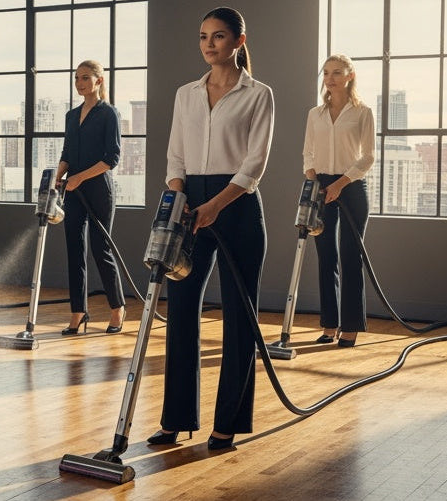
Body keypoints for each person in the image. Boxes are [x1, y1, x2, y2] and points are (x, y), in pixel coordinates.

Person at [148, 6, 273, 451]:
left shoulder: (259, 94)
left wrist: (215, 206)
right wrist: (181, 200)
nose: (208, 44)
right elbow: (175, 157)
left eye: (218, 36)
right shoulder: (186, 94)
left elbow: (254, 163)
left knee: (239, 317)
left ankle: (228, 425)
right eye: (203, 36)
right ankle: (176, 419)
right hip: (190, 205)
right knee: (181, 313)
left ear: (239, 41)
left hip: (236, 206)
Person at [302, 54, 374, 348]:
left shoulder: (362, 112)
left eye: (336, 73)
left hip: (352, 187)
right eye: (326, 73)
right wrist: (314, 183)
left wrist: (340, 184)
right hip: (321, 187)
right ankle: (330, 324)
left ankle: (351, 327)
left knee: (350, 256)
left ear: (349, 76)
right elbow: (308, 153)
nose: (330, 78)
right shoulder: (315, 114)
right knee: (326, 257)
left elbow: (368, 156)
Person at [56, 60, 126, 335]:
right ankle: (78, 312)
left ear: (99, 81)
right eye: (76, 78)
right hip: (73, 190)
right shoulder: (71, 116)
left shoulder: (109, 113)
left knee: (100, 248)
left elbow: (112, 158)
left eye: (85, 78)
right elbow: (67, 153)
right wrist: (57, 177)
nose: (79, 83)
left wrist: (80, 177)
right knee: (74, 250)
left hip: (98, 190)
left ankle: (117, 308)